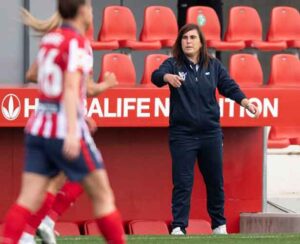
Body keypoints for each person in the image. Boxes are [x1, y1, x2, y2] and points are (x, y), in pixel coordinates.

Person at [1, 1, 125, 243]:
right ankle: (43, 224)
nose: (91, 12)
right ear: (81, 11)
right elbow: (71, 87)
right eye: (89, 7)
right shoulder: (78, 44)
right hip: (64, 129)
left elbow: (48, 81)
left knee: (27, 199)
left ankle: (27, 233)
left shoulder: (50, 40)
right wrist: (71, 129)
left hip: (38, 127)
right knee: (103, 196)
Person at [151, 23, 260, 235]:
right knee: (182, 183)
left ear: (201, 42)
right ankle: (179, 227)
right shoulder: (172, 64)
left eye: (192, 38)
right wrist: (166, 78)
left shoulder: (214, 65)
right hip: (182, 135)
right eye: (184, 38)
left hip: (210, 134)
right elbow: (156, 76)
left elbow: (229, 86)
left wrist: (246, 103)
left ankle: (219, 225)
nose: (188, 42)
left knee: (215, 182)